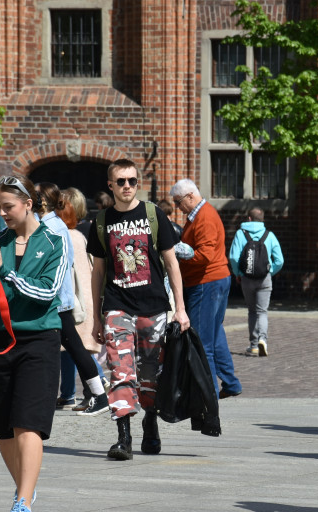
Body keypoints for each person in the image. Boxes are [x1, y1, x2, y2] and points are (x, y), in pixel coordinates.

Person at [0, 174, 68, 512]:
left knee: (28, 421)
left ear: (28, 204)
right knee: (2, 425)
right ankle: (26, 489)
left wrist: (5, 272)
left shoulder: (54, 242)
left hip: (39, 339)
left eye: (7, 206)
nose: (2, 213)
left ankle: (23, 502)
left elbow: (45, 293)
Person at [88, 159, 189, 460]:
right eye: (121, 181)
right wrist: (96, 315)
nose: (127, 186)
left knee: (150, 373)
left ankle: (150, 420)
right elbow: (98, 271)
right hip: (117, 306)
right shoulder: (102, 220)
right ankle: (123, 438)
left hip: (154, 307)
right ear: (111, 185)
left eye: (132, 180)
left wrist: (180, 308)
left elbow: (171, 263)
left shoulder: (153, 214)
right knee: (120, 372)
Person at [34, 181, 109, 415]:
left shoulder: (52, 228)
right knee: (69, 349)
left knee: (75, 349)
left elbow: (58, 265)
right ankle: (89, 394)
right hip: (57, 299)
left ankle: (98, 393)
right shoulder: (52, 225)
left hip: (56, 300)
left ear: (43, 201)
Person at [170, 178, 242, 399]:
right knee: (215, 333)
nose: (177, 207)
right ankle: (230, 383)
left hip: (206, 283)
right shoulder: (199, 216)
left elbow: (205, 255)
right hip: (212, 281)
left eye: (178, 202)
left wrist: (176, 252)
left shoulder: (205, 217)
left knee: (202, 343)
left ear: (190, 196)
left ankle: (207, 395)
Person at [56, 187, 107, 412]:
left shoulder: (68, 236)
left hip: (77, 300)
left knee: (79, 348)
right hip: (80, 298)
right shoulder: (74, 234)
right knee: (68, 348)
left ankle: (101, 383)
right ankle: (68, 394)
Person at [227, 207, 284, 357]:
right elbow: (280, 260)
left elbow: (233, 257)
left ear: (249, 219)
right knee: (262, 311)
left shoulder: (240, 234)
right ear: (262, 219)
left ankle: (253, 345)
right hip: (264, 278)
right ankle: (263, 340)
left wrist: (238, 273)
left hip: (246, 278)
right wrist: (270, 271)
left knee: (252, 311)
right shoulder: (269, 235)